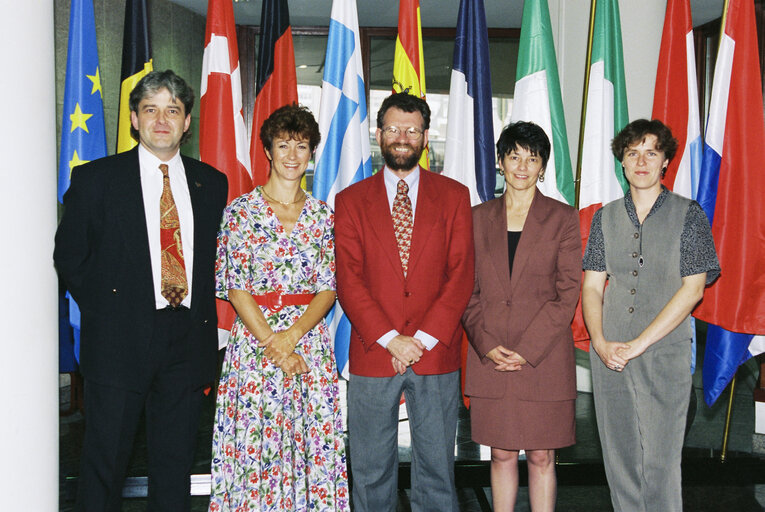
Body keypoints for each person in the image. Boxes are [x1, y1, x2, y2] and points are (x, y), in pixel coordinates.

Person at [54, 70, 228, 511]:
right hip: (117, 342)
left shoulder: (212, 184)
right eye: (151, 109)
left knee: (173, 469)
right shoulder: (96, 178)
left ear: (188, 121)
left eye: (173, 110)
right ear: (135, 119)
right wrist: (111, 312)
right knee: (104, 465)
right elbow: (70, 256)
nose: (162, 120)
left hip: (187, 343)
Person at [334, 92, 474, 512]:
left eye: (412, 130)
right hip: (375, 352)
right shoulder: (350, 201)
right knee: (371, 472)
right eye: (393, 128)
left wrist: (421, 341)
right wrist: (393, 340)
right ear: (378, 134)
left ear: (426, 137)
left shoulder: (454, 196)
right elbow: (348, 280)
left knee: (436, 473)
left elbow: (461, 274)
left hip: (435, 355)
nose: (402, 137)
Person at [209, 104, 348, 511]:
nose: (291, 155)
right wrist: (274, 341)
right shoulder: (240, 212)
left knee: (311, 447)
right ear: (268, 150)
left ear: (311, 153)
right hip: (256, 349)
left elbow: (329, 288)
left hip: (308, 346)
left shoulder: (324, 216)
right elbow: (235, 288)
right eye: (283, 144)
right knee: (257, 448)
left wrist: (292, 337)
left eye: (301, 146)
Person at [582, 119, 720, 512]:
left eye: (651, 152)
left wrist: (639, 344)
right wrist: (600, 342)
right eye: (632, 153)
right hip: (609, 353)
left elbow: (693, 289)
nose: (641, 161)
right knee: (620, 460)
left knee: (660, 465)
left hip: (665, 354)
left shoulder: (688, 215)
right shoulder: (603, 218)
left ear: (665, 162)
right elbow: (592, 286)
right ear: (621, 163)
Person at [462, 122, 581, 512]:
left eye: (532, 158)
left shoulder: (563, 218)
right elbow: (466, 289)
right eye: (514, 156)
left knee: (543, 457)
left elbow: (567, 294)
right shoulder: (477, 217)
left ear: (543, 166)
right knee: (500, 454)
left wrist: (526, 351)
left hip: (542, 358)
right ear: (500, 162)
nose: (523, 166)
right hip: (490, 354)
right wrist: (487, 343)